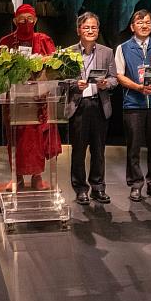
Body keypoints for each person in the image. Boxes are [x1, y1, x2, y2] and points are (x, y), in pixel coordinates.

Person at [0, 3, 61, 190]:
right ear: (15, 20)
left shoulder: (43, 40)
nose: (25, 22)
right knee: (14, 139)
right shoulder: (5, 42)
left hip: (38, 102)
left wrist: (42, 64)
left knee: (37, 141)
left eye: (29, 19)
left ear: (36, 20)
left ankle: (37, 177)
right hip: (14, 102)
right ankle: (16, 177)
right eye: (21, 19)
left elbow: (55, 68)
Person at [115, 9, 151, 202]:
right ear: (132, 27)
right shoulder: (123, 48)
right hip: (133, 104)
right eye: (140, 22)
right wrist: (137, 87)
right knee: (134, 147)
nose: (144, 25)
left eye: (148, 22)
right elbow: (119, 76)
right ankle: (135, 184)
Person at [66, 12, 118, 205]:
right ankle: (80, 189)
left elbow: (114, 78)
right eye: (86, 27)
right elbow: (62, 80)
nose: (90, 30)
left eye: (94, 27)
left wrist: (106, 83)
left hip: (99, 105)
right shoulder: (68, 52)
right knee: (78, 151)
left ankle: (98, 187)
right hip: (79, 106)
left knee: (99, 150)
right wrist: (74, 84)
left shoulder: (107, 52)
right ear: (79, 30)